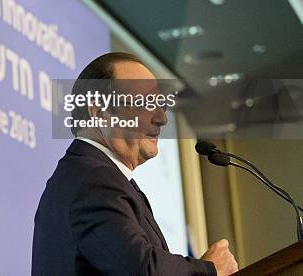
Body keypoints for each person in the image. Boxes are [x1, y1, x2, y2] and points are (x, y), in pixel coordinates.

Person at [32, 52, 238, 275]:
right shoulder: (94, 180)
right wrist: (209, 270)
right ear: (99, 112)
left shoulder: (85, 175)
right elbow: (141, 269)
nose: (162, 119)